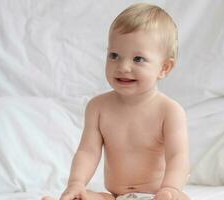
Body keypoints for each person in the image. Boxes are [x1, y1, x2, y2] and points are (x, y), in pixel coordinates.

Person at [42, 3, 190, 200]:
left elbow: (177, 156)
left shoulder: (169, 111)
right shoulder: (98, 107)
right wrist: (76, 183)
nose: (123, 67)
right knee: (90, 197)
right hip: (115, 196)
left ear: (164, 68)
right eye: (114, 55)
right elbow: (87, 151)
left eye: (138, 59)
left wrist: (170, 188)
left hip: (157, 194)